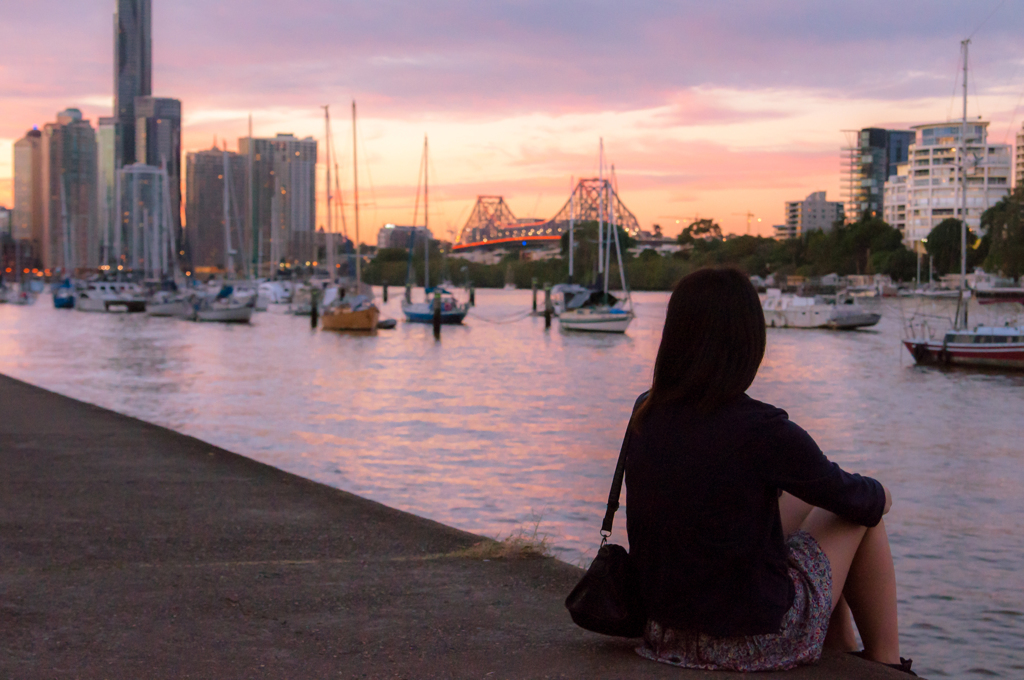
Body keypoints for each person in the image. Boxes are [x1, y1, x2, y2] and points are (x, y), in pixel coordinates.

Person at [624, 267, 915, 675]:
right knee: (860, 515)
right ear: (748, 342)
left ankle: (844, 648)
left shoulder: (646, 410)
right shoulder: (762, 430)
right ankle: (886, 663)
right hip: (749, 641)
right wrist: (883, 494)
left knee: (806, 498)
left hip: (666, 633)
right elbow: (856, 500)